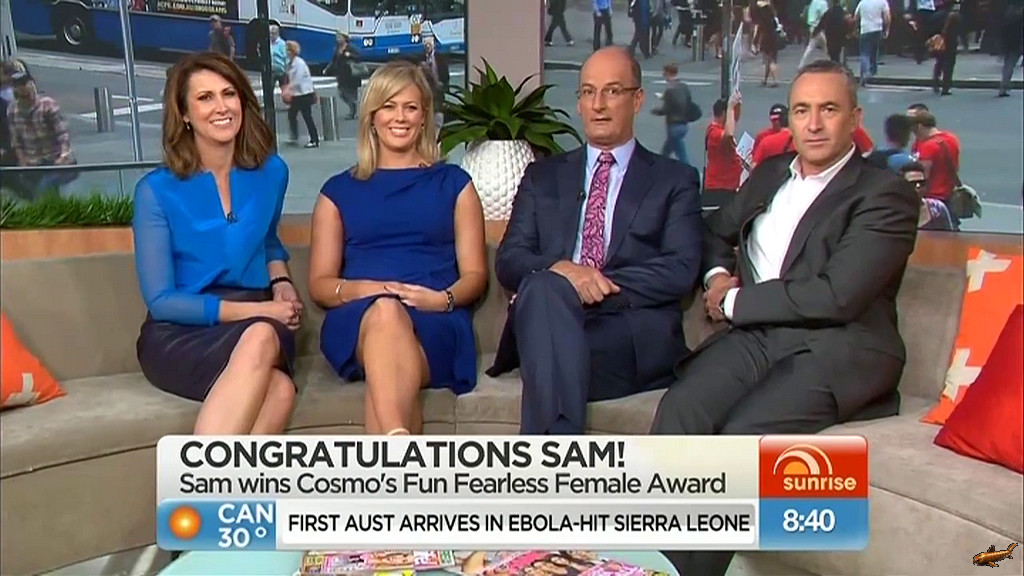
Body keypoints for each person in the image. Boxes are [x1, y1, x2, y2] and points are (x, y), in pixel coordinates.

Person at [651, 59, 919, 576]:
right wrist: (716, 277)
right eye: (802, 111)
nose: (813, 124)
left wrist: (734, 304)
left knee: (741, 438)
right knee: (682, 410)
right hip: (758, 338)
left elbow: (837, 295)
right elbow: (715, 232)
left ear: (854, 118)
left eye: (828, 110)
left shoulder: (885, 195)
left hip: (837, 344)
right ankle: (650, 564)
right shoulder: (772, 174)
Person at [487, 47, 703, 435]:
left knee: (549, 333)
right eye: (588, 92)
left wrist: (594, 283)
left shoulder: (674, 180)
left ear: (637, 100)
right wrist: (564, 273)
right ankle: (559, 455)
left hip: (625, 335)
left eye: (612, 91)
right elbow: (510, 259)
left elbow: (679, 268)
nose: (598, 105)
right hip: (547, 319)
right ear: (579, 102)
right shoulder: (542, 176)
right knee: (545, 287)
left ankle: (545, 459)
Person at [307, 61, 487, 436]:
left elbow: (475, 275)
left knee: (387, 378)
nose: (400, 117)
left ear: (424, 117)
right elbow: (320, 284)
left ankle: (394, 441)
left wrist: (442, 300)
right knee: (385, 313)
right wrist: (367, 290)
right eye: (388, 106)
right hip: (359, 318)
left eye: (411, 107)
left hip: (435, 318)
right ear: (372, 117)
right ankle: (400, 442)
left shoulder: (455, 184)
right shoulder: (337, 191)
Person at [133, 51, 300, 435]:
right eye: (205, 98)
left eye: (229, 93)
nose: (222, 107)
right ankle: (206, 473)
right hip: (180, 331)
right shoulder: (155, 191)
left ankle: (199, 475)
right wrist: (264, 312)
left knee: (271, 364)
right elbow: (161, 301)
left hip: (258, 321)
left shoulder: (273, 172)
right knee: (278, 386)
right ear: (184, 114)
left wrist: (281, 282)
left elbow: (267, 239)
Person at [5, 69, 77, 198]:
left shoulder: (47, 105)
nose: (29, 98)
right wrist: (23, 161)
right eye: (24, 96)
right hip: (33, 164)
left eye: (31, 93)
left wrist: (63, 155)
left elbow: (62, 134)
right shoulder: (12, 111)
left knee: (45, 188)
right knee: (28, 191)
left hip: (55, 161)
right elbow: (16, 141)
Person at [702, 96, 744, 207]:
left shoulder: (720, 128)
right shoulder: (715, 133)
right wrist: (730, 107)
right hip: (719, 189)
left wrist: (737, 104)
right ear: (724, 113)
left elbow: (734, 121)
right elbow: (729, 134)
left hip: (727, 187)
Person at [651, 62, 695, 165]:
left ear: (668, 74)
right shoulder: (684, 87)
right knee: (669, 151)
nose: (663, 76)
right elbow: (687, 101)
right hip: (684, 125)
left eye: (664, 74)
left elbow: (665, 109)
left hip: (674, 126)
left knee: (679, 154)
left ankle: (687, 170)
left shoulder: (670, 91)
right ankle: (659, 166)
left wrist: (655, 111)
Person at [283, 40, 320, 148]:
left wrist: (288, 88)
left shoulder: (299, 63)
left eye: (288, 50)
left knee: (307, 116)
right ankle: (295, 136)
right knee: (292, 114)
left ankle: (314, 139)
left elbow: (298, 79)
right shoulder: (291, 63)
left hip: (304, 94)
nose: (286, 52)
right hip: (297, 94)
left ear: (292, 51)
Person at [901, 161, 955, 230]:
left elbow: (949, 235)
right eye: (913, 183)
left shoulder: (938, 209)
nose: (918, 186)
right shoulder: (893, 212)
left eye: (921, 183)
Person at [324, 32, 361, 120]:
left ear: (344, 38)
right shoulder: (337, 49)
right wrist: (327, 69)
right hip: (341, 74)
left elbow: (359, 56)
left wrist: (350, 55)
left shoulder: (351, 48)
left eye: (339, 37)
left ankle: (353, 112)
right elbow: (334, 61)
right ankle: (353, 107)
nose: (338, 39)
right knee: (341, 93)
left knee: (352, 93)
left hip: (351, 74)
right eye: (337, 37)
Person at [854, 0, 890, 84]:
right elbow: (887, 17)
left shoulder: (862, 2)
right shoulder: (882, 2)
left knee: (864, 53)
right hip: (877, 29)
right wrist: (887, 29)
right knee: (874, 50)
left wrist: (855, 29)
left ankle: (865, 73)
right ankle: (872, 71)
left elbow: (856, 17)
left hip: (865, 29)